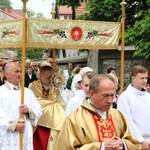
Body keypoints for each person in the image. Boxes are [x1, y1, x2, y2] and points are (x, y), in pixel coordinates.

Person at [56, 74, 141, 150]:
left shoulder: (118, 116)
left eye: (112, 95)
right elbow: (66, 147)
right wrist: (101, 147)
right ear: (92, 94)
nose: (110, 100)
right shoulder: (75, 119)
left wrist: (123, 144)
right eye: (105, 95)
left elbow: (135, 144)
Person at [0, 62, 42, 150]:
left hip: (25, 134)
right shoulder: (1, 92)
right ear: (7, 75)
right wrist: (14, 125)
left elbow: (38, 111)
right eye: (16, 71)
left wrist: (28, 111)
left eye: (20, 71)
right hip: (8, 136)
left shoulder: (27, 92)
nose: (19, 74)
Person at [29, 66, 66, 150]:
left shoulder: (55, 88)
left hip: (53, 123)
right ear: (40, 76)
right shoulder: (32, 87)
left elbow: (61, 103)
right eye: (48, 78)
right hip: (39, 123)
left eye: (51, 78)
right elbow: (35, 103)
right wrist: (51, 106)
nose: (50, 81)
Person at [117, 65, 150, 149]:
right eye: (142, 78)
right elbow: (127, 120)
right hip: (135, 141)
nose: (145, 81)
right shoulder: (125, 96)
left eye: (146, 78)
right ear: (133, 78)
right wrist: (140, 140)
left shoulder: (148, 96)